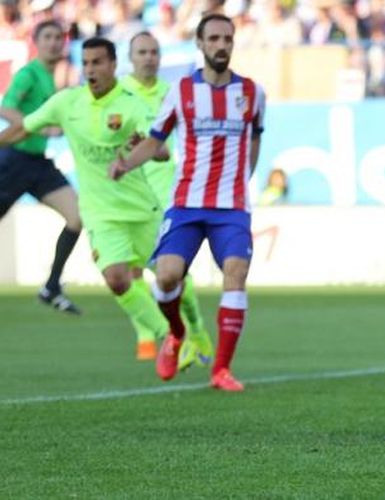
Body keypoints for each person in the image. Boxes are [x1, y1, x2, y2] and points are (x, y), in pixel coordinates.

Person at [108, 14, 266, 392]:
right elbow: (155, 138)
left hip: (231, 206)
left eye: (227, 38)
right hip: (187, 203)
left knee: (236, 274)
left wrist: (242, 180)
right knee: (165, 276)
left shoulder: (252, 93)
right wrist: (127, 163)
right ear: (199, 43)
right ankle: (176, 334)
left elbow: (256, 139)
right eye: (214, 38)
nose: (221, 45)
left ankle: (221, 370)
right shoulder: (180, 92)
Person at [0, 37, 176, 361]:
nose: (91, 69)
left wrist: (132, 157)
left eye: (97, 62)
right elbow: (21, 124)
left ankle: (189, 333)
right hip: (28, 171)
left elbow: (161, 149)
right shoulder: (54, 91)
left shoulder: (131, 102)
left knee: (171, 275)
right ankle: (165, 337)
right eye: (86, 63)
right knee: (117, 277)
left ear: (113, 65)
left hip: (138, 205)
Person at [121, 31, 214, 366]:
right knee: (128, 270)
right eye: (142, 51)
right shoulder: (120, 94)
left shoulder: (173, 93)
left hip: (165, 191)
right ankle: (147, 334)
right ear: (130, 58)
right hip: (127, 193)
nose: (149, 57)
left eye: (154, 52)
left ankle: (197, 330)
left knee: (171, 271)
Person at [0, 20, 83, 314]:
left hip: (37, 163)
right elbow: (5, 107)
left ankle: (51, 286)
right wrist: (39, 127)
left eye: (58, 37)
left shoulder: (51, 77)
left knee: (76, 216)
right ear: (36, 41)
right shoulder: (29, 73)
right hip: (14, 161)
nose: (54, 42)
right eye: (47, 37)